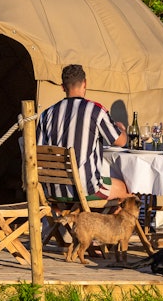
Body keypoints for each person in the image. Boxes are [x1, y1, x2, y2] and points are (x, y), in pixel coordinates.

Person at [38, 64, 130, 200]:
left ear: (63, 87)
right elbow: (121, 142)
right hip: (85, 190)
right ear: (85, 83)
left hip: (53, 191)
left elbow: (38, 151)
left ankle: (76, 217)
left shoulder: (46, 114)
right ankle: (94, 219)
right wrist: (122, 129)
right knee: (125, 189)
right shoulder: (95, 111)